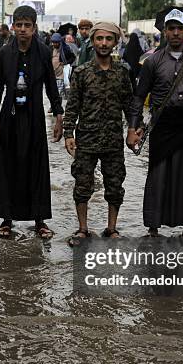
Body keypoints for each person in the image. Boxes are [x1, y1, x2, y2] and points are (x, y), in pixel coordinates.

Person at [126, 9, 183, 238]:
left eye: (180, 28)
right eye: (171, 29)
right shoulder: (152, 62)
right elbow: (139, 97)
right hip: (162, 126)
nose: (176, 33)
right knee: (158, 175)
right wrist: (132, 128)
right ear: (165, 32)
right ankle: (153, 227)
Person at [0, 5, 64, 239]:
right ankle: (6, 219)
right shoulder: (4, 53)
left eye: (27, 25)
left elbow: (52, 86)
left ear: (34, 27)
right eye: (18, 25)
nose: (22, 29)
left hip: (35, 117)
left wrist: (59, 117)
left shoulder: (42, 52)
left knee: (37, 166)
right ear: (13, 26)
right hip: (9, 117)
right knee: (7, 166)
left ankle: (40, 221)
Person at [63, 22, 133, 245]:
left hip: (113, 139)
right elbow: (72, 106)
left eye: (109, 39)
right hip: (87, 139)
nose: (104, 43)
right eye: (99, 39)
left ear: (115, 42)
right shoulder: (82, 73)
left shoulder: (122, 72)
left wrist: (133, 129)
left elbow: (130, 105)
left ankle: (111, 228)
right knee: (82, 184)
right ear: (92, 42)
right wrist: (68, 134)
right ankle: (82, 228)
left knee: (115, 184)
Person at [50, 32, 75, 100]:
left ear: (60, 42)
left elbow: (73, 58)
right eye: (53, 42)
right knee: (53, 89)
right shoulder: (51, 48)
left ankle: (57, 104)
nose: (54, 44)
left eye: (56, 42)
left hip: (61, 72)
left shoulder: (65, 49)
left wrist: (65, 62)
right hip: (53, 72)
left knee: (59, 90)